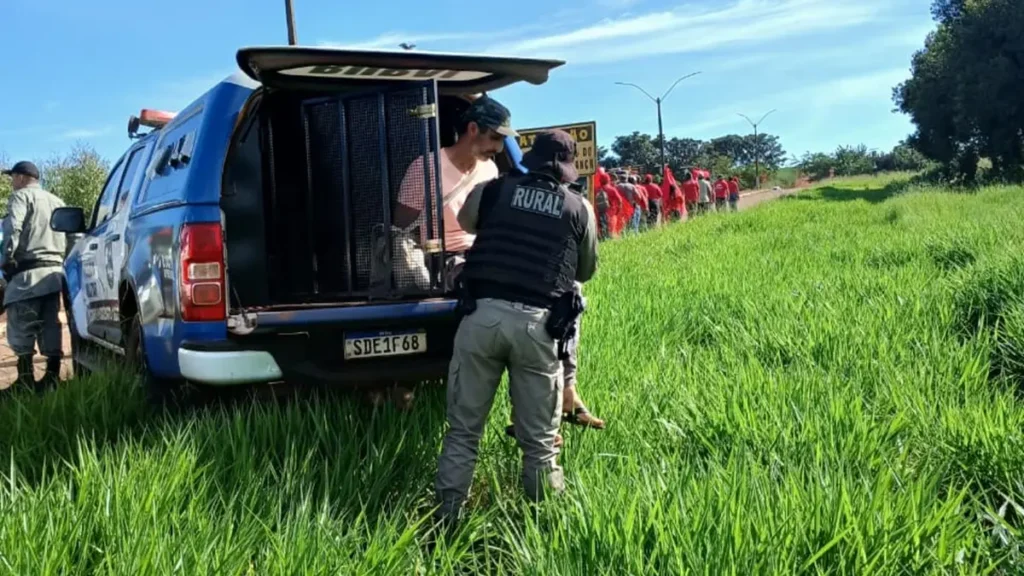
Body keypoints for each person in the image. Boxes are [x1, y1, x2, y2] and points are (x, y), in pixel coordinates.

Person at [433, 129, 598, 523]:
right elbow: (586, 270)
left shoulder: (492, 190)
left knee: (463, 432)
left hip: (481, 318)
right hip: (537, 328)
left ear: (530, 157)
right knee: (540, 444)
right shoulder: (579, 207)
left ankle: (446, 519)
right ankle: (543, 525)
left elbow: (467, 223)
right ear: (566, 169)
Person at [1, 161, 67, 394]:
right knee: (50, 323)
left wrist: (6, 260)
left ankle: (25, 380)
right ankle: (52, 376)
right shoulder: (57, 201)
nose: (11, 183)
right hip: (54, 273)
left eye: (12, 178)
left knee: (22, 324)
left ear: (20, 178)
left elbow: (12, 230)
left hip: (27, 273)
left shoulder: (21, 197)